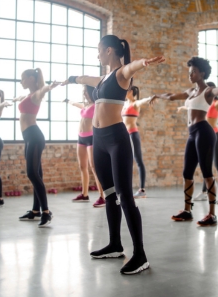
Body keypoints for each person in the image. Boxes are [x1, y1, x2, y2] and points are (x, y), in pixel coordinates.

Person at [62, 34, 164, 275]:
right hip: (98, 141)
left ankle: (140, 255)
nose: (97, 54)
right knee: (108, 195)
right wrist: (71, 79)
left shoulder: (120, 74)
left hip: (117, 140)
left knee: (125, 196)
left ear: (109, 51)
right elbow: (87, 78)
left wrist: (144, 63)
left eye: (99, 50)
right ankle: (115, 244)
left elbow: (130, 67)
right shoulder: (103, 78)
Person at [150, 57, 218, 226]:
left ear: (202, 73)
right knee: (187, 173)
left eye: (194, 72)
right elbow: (171, 96)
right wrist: (157, 95)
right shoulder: (190, 92)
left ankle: (212, 214)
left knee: (207, 173)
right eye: (190, 72)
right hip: (192, 134)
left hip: (204, 132)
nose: (191, 74)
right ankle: (187, 210)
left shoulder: (208, 91)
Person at [12, 69, 60, 227]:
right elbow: (21, 98)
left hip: (34, 137)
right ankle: (35, 211)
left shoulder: (37, 94)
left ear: (32, 78)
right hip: (29, 138)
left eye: (23, 78)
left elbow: (43, 90)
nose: (21, 82)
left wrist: (50, 86)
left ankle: (46, 212)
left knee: (33, 173)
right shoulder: (27, 96)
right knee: (36, 173)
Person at [65, 85, 106, 208]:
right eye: (83, 92)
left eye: (85, 91)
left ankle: (103, 197)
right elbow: (78, 105)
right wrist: (69, 101)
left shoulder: (97, 105)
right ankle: (84, 194)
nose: (84, 94)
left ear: (91, 91)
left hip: (92, 138)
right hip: (81, 138)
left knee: (94, 168)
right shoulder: (86, 106)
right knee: (82, 166)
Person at [122, 85, 152, 198]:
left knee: (138, 160)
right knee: (125, 161)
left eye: (127, 90)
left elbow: (142, 101)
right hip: (124, 135)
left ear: (131, 92)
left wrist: (150, 98)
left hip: (133, 134)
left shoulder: (135, 103)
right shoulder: (124, 104)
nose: (125, 92)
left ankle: (142, 190)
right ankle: (125, 188)